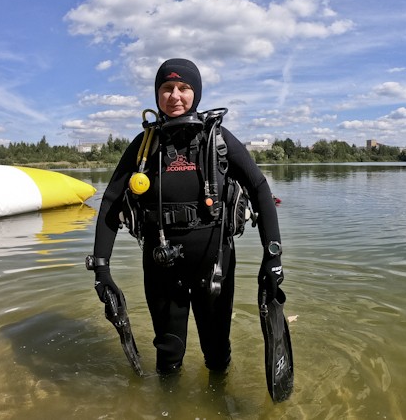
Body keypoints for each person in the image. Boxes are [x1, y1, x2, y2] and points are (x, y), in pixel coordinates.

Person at [87, 58, 284, 376]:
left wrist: (273, 258)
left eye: (184, 88)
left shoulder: (217, 140)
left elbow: (260, 189)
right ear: (156, 94)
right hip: (160, 264)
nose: (175, 96)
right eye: (166, 88)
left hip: (215, 265)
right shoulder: (145, 146)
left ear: (197, 93)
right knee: (167, 353)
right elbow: (110, 202)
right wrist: (101, 269)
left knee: (218, 352)